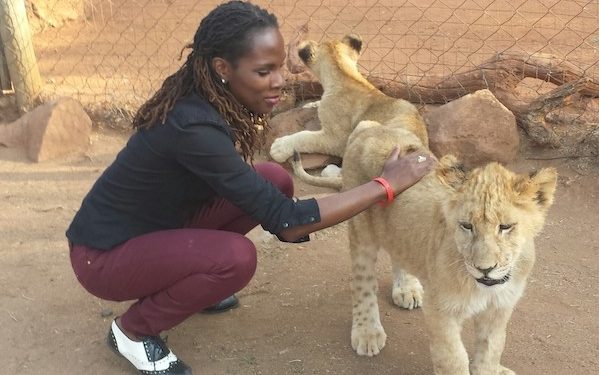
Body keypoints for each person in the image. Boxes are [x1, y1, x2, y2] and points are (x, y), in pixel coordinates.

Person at [65, 1, 436, 374]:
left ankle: (186, 282)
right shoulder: (193, 128)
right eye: (263, 71)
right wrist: (384, 185)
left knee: (273, 178)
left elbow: (265, 198)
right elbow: (288, 221)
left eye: (278, 67)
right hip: (104, 257)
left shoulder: (211, 101)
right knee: (236, 259)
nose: (279, 80)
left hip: (156, 227)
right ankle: (133, 331)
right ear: (222, 69)